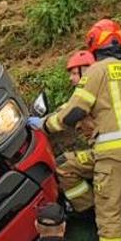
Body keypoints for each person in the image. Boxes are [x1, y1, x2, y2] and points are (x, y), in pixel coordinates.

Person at [33, 18, 121, 241]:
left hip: (113, 152)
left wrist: (45, 124)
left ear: (94, 44)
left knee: (109, 210)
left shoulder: (97, 72)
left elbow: (76, 110)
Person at [51, 50, 98, 214]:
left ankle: (88, 210)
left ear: (85, 71)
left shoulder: (86, 93)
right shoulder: (103, 89)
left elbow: (65, 115)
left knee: (63, 164)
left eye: (73, 73)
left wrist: (43, 123)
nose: (70, 78)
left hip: (105, 152)